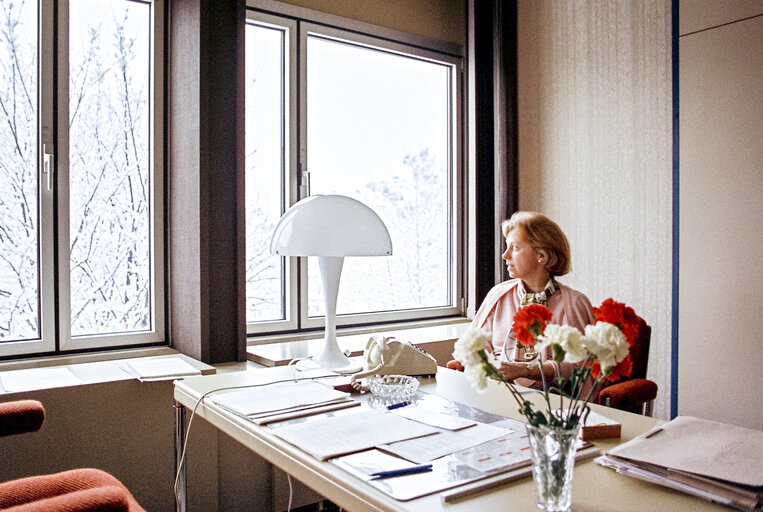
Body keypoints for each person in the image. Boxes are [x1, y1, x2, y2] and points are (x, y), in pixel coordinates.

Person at [470, 211, 595, 390]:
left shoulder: (575, 304)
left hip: (553, 404)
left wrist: (528, 370)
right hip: (495, 395)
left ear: (541, 255)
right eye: (507, 247)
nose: (505, 255)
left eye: (515, 247)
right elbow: (476, 347)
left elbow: (580, 366)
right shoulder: (498, 296)